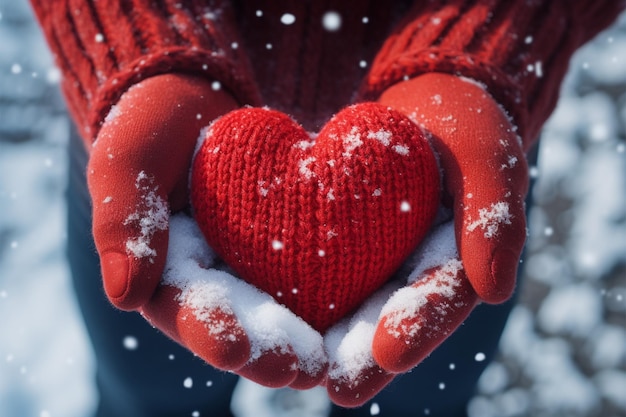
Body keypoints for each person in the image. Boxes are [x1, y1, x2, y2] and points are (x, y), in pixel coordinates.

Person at [28, 1, 624, 416]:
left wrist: (486, 41)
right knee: (151, 401)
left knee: (420, 403)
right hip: (172, 168)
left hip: (452, 168)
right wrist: (136, 34)